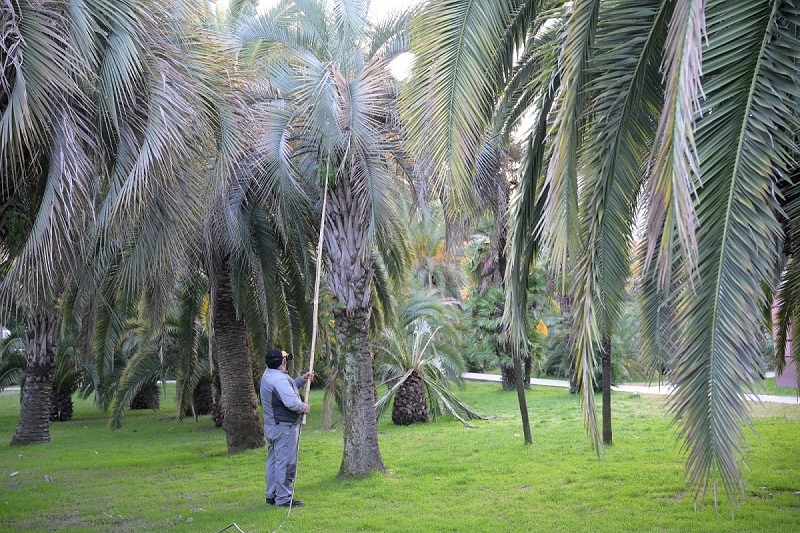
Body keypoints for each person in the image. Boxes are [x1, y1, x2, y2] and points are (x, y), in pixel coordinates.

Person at [260, 349, 313, 508]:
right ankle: (283, 499)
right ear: (282, 362)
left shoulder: (269, 374)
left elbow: (285, 390)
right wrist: (303, 407)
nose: (287, 360)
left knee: (274, 462)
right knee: (285, 463)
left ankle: (271, 495)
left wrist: (301, 380)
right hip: (285, 429)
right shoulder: (279, 380)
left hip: (273, 427)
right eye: (285, 358)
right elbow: (290, 402)